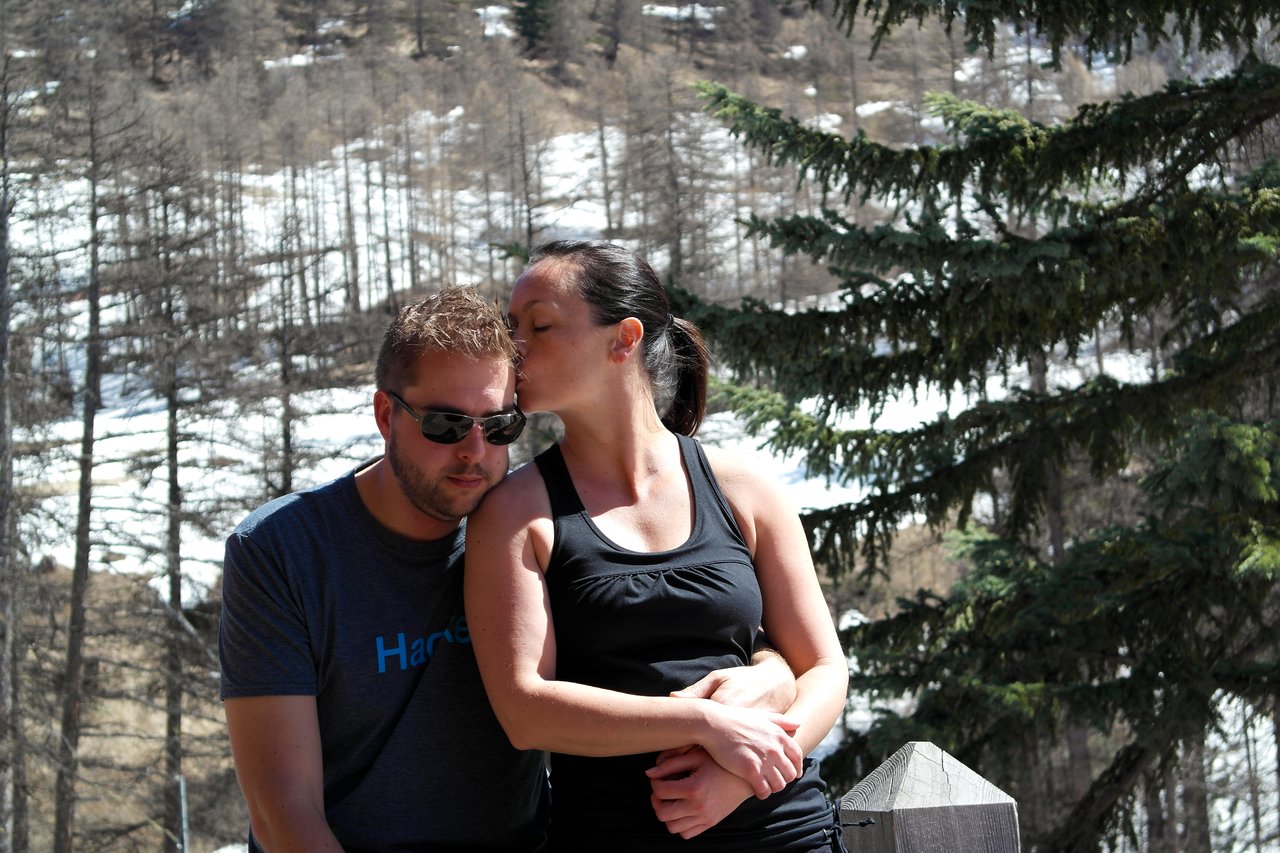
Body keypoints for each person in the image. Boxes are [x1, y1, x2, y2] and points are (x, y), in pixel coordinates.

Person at [218, 285, 795, 852]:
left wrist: (771, 667)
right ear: (385, 414)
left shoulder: (523, 526)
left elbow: (654, 632)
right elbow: (283, 812)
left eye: (498, 427)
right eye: (445, 425)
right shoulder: (282, 549)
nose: (474, 452)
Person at [465, 241, 851, 851]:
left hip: (786, 833)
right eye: (512, 327)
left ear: (624, 339)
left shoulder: (744, 489)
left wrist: (741, 776)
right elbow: (525, 709)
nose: (515, 348)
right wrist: (705, 722)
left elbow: (823, 670)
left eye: (539, 326)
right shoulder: (514, 514)